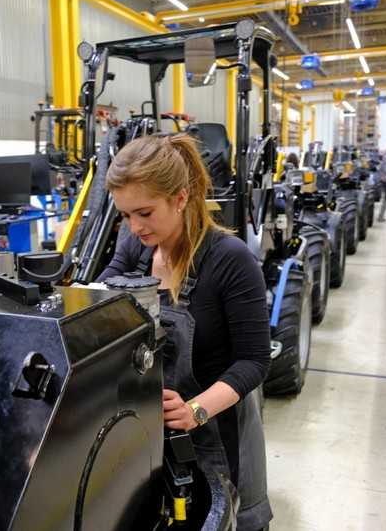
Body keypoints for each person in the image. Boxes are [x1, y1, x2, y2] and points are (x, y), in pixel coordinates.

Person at [97, 133, 273, 530]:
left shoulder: (230, 260)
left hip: (216, 428)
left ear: (180, 197)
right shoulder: (135, 248)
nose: (134, 226)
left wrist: (194, 410)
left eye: (144, 212)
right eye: (125, 216)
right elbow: (99, 306)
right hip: (150, 429)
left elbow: (254, 361)